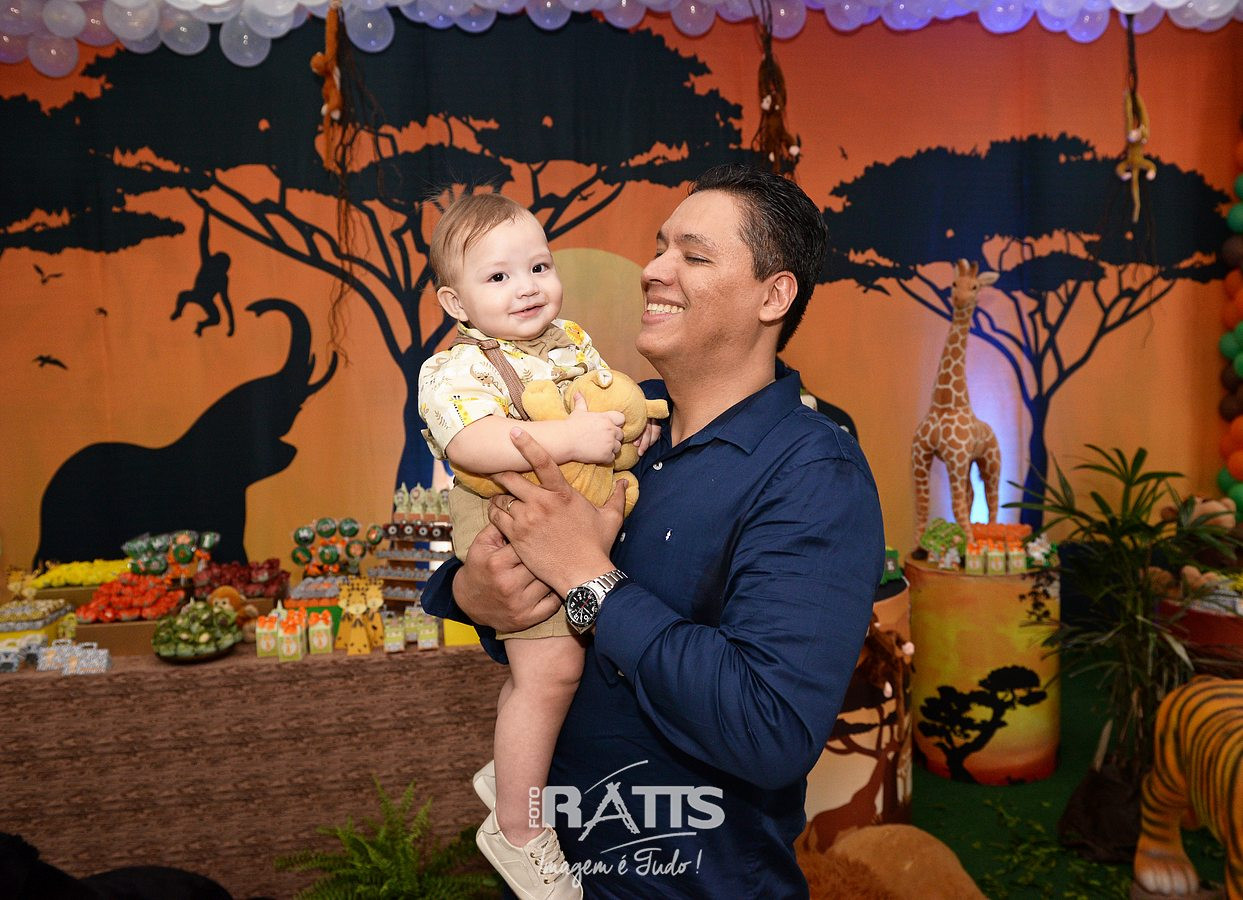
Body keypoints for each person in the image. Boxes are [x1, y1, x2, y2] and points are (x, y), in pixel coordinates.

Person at [422, 165, 885, 898]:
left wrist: (588, 579)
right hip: (559, 873)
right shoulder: (608, 424)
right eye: (659, 247)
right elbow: (517, 577)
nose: (653, 270)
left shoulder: (812, 472)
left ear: (773, 296)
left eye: (692, 256)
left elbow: (769, 731)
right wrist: (473, 595)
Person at [417, 192, 659, 900]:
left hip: (566, 510)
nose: (525, 286)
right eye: (497, 277)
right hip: (505, 516)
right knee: (549, 670)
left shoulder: (568, 340)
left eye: (538, 267)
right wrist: (573, 437)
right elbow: (473, 443)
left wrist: (626, 430)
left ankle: (514, 772)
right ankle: (518, 831)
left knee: (556, 671)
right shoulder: (453, 368)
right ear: (455, 303)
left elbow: (600, 405)